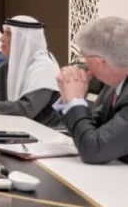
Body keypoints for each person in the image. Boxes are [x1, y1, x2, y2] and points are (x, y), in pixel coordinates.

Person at [55, 17, 128, 164]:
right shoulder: (113, 85)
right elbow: (90, 129)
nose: (84, 66)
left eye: (84, 58)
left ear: (99, 62)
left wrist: (75, 100)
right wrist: (68, 98)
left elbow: (93, 150)